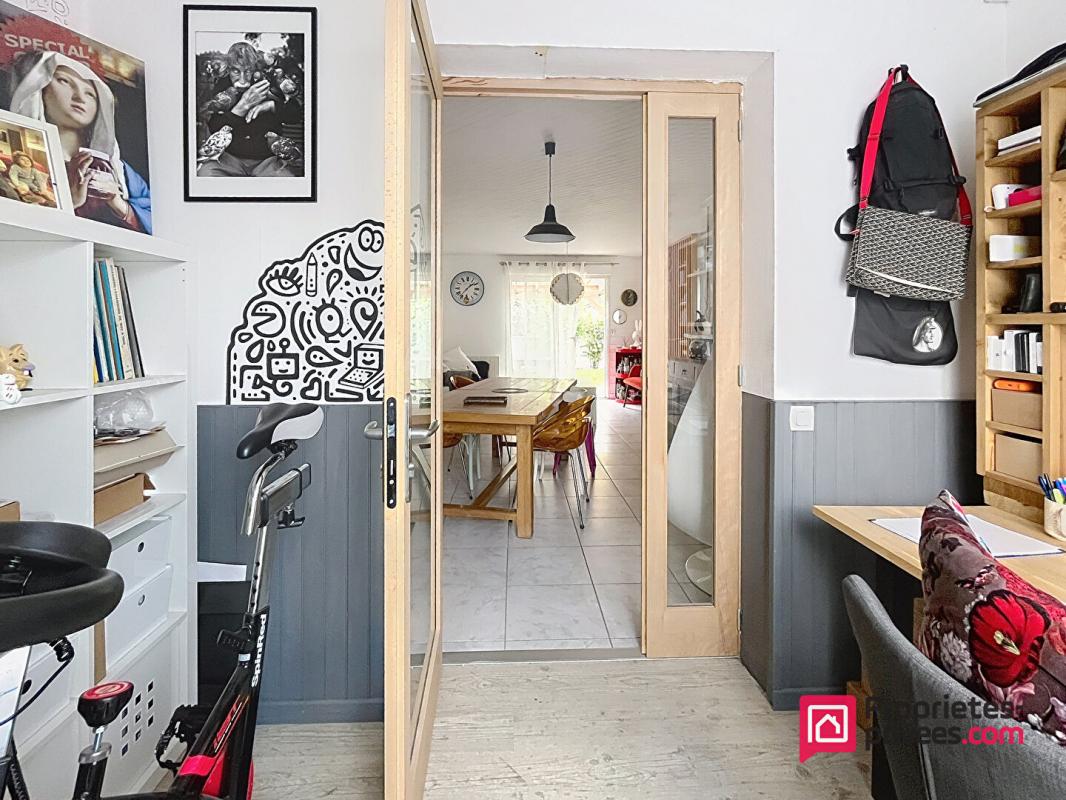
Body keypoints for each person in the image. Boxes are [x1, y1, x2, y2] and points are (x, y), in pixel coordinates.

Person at [8, 51, 151, 232]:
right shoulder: (22, 160)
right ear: (39, 88)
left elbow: (156, 221)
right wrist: (71, 201)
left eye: (90, 94)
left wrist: (118, 203)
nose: (79, 97)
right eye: (64, 81)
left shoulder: (119, 171)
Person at [197, 41, 303, 178]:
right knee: (205, 176)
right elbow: (214, 126)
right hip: (227, 159)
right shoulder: (222, 86)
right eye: (236, 71)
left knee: (287, 181)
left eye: (248, 71)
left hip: (268, 161)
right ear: (228, 70)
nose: (242, 79)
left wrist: (271, 106)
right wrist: (242, 107)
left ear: (255, 69)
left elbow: (295, 115)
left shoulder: (268, 83)